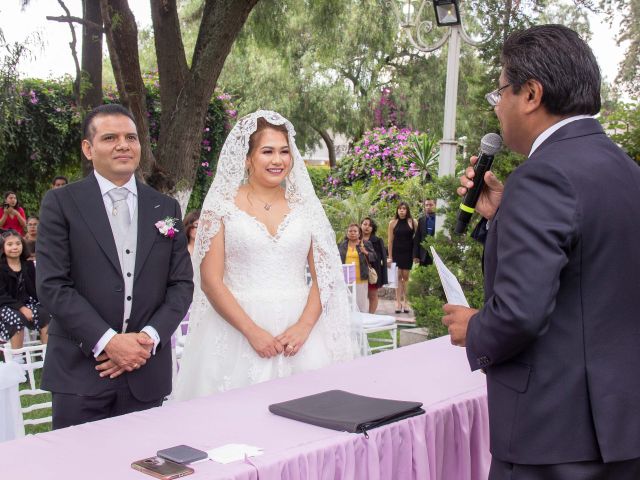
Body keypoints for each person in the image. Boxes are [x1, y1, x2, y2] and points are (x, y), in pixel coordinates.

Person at [442, 25, 640, 479]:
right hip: (620, 428)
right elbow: (593, 273)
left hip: (553, 437)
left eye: (500, 92)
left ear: (531, 94)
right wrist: (504, 212)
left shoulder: (543, 175)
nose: (499, 108)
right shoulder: (625, 169)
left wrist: (475, 328)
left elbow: (519, 314)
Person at [174, 110, 358, 400]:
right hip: (237, 329)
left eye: (284, 151)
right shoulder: (219, 208)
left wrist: (304, 327)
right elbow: (210, 281)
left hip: (301, 332)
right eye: (267, 151)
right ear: (248, 158)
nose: (278, 160)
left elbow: (324, 274)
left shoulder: (305, 207)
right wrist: (252, 332)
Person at [36, 104, 193, 429]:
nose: (123, 145)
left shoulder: (165, 207)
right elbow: (53, 285)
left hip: (145, 371)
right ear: (88, 148)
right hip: (80, 373)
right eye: (110, 137)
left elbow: (181, 285)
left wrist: (147, 340)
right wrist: (108, 341)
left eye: (131, 137)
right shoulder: (61, 203)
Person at [0, 230, 50, 354]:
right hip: (6, 305)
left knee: (46, 314)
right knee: (16, 318)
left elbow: (35, 290)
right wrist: (21, 308)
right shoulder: (1, 268)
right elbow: (2, 296)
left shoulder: (28, 265)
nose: (14, 247)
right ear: (3, 248)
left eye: (18, 243)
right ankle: (17, 358)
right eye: (10, 244)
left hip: (28, 302)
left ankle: (48, 355)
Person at [338, 223, 376, 313]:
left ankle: (362, 324)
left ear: (359, 233)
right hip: (346, 280)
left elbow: (374, 257)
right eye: (350, 231)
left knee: (361, 306)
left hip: (361, 279)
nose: (352, 233)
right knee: (347, 305)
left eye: (355, 231)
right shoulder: (342, 245)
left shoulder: (365, 244)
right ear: (347, 233)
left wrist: (365, 252)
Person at [387, 202, 416, 314]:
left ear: (407, 210)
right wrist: (390, 257)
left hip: (408, 253)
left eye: (404, 209)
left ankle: (406, 302)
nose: (401, 211)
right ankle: (398, 302)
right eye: (399, 209)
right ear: (397, 210)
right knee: (398, 278)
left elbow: (417, 239)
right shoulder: (392, 223)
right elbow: (390, 241)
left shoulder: (413, 222)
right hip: (396, 253)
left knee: (406, 278)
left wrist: (415, 255)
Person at [361, 217, 387, 313]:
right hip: (358, 271)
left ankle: (371, 315)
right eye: (365, 224)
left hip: (372, 271)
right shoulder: (355, 238)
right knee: (359, 295)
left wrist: (367, 253)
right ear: (361, 225)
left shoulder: (377, 240)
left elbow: (379, 258)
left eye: (370, 225)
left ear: (373, 228)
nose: (367, 227)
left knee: (372, 295)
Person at [413, 198, 436, 267]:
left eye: (431, 205)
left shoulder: (440, 219)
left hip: (437, 254)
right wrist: (415, 255)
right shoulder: (421, 220)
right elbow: (417, 238)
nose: (428, 207)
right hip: (423, 255)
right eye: (426, 205)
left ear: (435, 205)